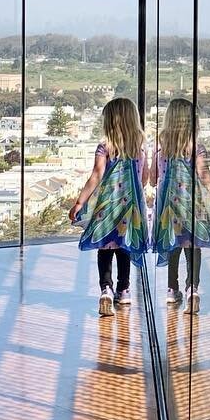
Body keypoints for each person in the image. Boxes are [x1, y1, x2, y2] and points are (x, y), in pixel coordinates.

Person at [151, 97, 210, 312]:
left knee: (173, 244)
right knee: (193, 245)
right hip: (192, 202)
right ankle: (193, 289)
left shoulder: (161, 147)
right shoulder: (196, 148)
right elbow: (205, 177)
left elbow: (153, 178)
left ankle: (171, 290)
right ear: (192, 121)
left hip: (168, 203)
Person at [70, 96, 150, 317]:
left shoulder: (104, 146)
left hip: (107, 206)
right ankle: (124, 291)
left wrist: (80, 202)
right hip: (131, 207)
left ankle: (106, 289)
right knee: (125, 247)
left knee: (105, 248)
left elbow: (96, 175)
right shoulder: (140, 147)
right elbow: (145, 177)